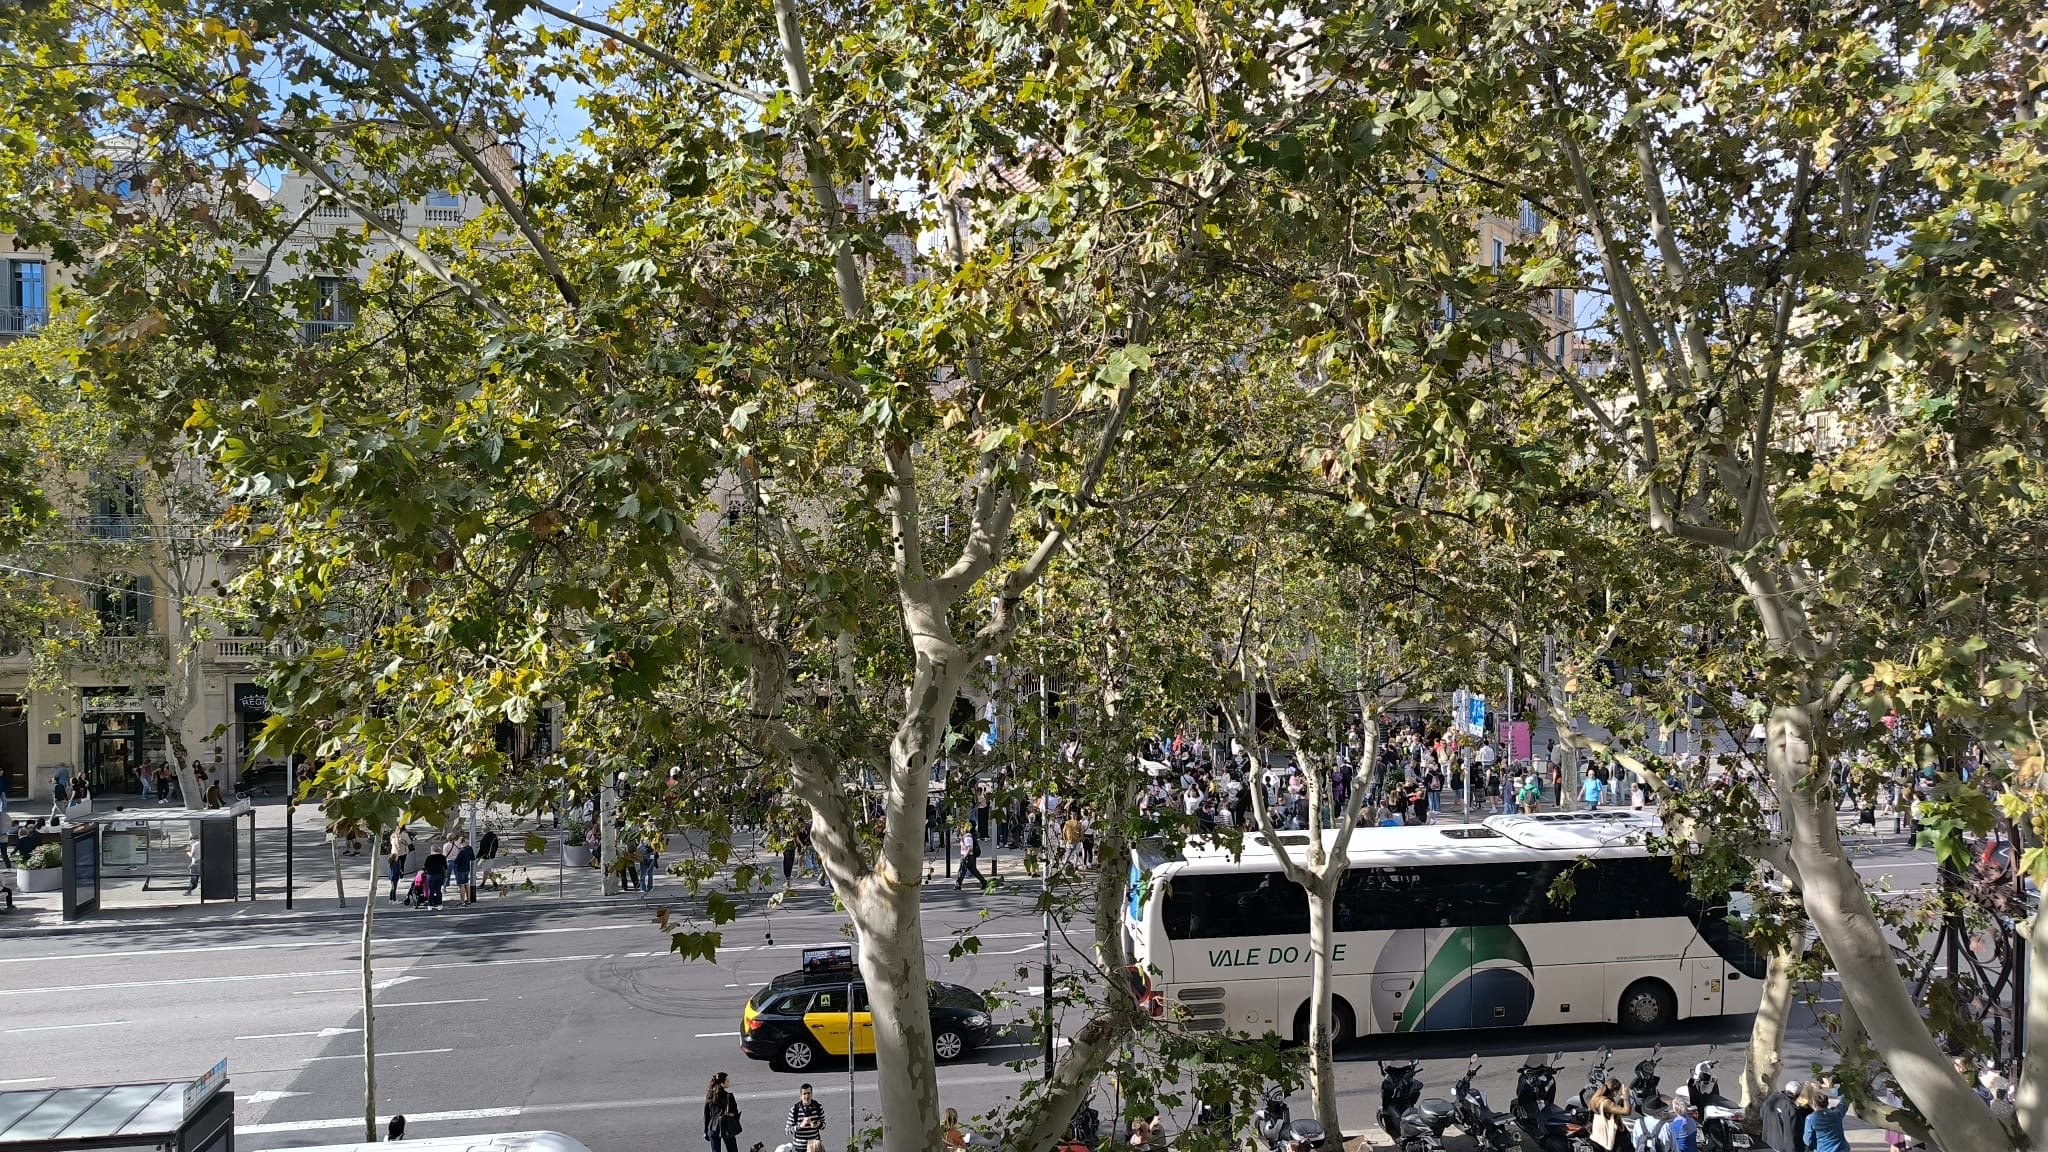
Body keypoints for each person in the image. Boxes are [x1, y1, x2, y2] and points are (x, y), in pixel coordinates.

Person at [1588, 1077, 1634, 1151]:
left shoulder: (1597, 1098)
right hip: (1615, 1136)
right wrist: (1626, 1097)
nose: (1618, 1094)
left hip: (1600, 1133)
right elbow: (1626, 1111)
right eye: (1618, 1091)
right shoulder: (1605, 1102)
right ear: (1614, 1091)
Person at [1804, 1082, 1851, 1152]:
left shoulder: (1811, 1119)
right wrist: (1829, 1088)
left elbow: (1808, 1140)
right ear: (1827, 1102)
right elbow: (1845, 1100)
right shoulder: (1836, 1114)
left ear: (1814, 1104)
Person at [1761, 1077, 1803, 1152]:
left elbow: (1762, 1113)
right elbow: (1790, 1132)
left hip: (1771, 1138)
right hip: (1782, 1144)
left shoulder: (1773, 1097)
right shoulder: (1791, 1109)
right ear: (1797, 1095)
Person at [703, 1072, 741, 1152]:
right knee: (732, 1150)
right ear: (722, 1083)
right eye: (727, 1081)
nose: (729, 1082)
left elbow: (706, 1114)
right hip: (727, 1127)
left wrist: (705, 1130)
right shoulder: (729, 1096)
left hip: (712, 1127)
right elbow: (735, 1112)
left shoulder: (710, 1095)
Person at [784, 1084, 825, 1149]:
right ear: (801, 1096)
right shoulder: (795, 1109)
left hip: (814, 1147)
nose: (807, 1096)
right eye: (804, 1094)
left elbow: (824, 1125)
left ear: (812, 1094)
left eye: (809, 1093)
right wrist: (800, 1125)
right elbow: (787, 1130)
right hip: (800, 1148)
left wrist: (818, 1124)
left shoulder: (818, 1107)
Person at [387, 826, 413, 901]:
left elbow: (391, 842)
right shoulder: (404, 834)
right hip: (402, 851)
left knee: (394, 865)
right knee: (402, 864)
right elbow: (409, 842)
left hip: (394, 852)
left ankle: (394, 875)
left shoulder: (393, 835)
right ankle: (401, 876)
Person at [955, 823, 985, 890]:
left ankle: (958, 884)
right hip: (970, 856)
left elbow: (969, 848)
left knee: (962, 871)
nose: (959, 830)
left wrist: (965, 856)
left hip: (967, 856)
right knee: (974, 871)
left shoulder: (967, 837)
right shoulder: (966, 836)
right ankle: (984, 882)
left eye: (960, 828)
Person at [421, 841, 449, 910]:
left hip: (431, 875)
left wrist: (425, 871)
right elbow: (445, 868)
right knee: (438, 890)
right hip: (440, 875)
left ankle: (430, 905)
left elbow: (425, 867)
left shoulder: (429, 858)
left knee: (431, 890)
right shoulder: (442, 857)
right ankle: (439, 905)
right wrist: (445, 876)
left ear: (432, 850)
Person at [451, 834, 477, 905]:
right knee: (466, 883)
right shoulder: (469, 848)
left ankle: (462, 901)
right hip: (467, 868)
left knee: (461, 885)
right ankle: (468, 899)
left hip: (460, 869)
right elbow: (473, 858)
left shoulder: (461, 851)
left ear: (460, 843)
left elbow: (456, 861)